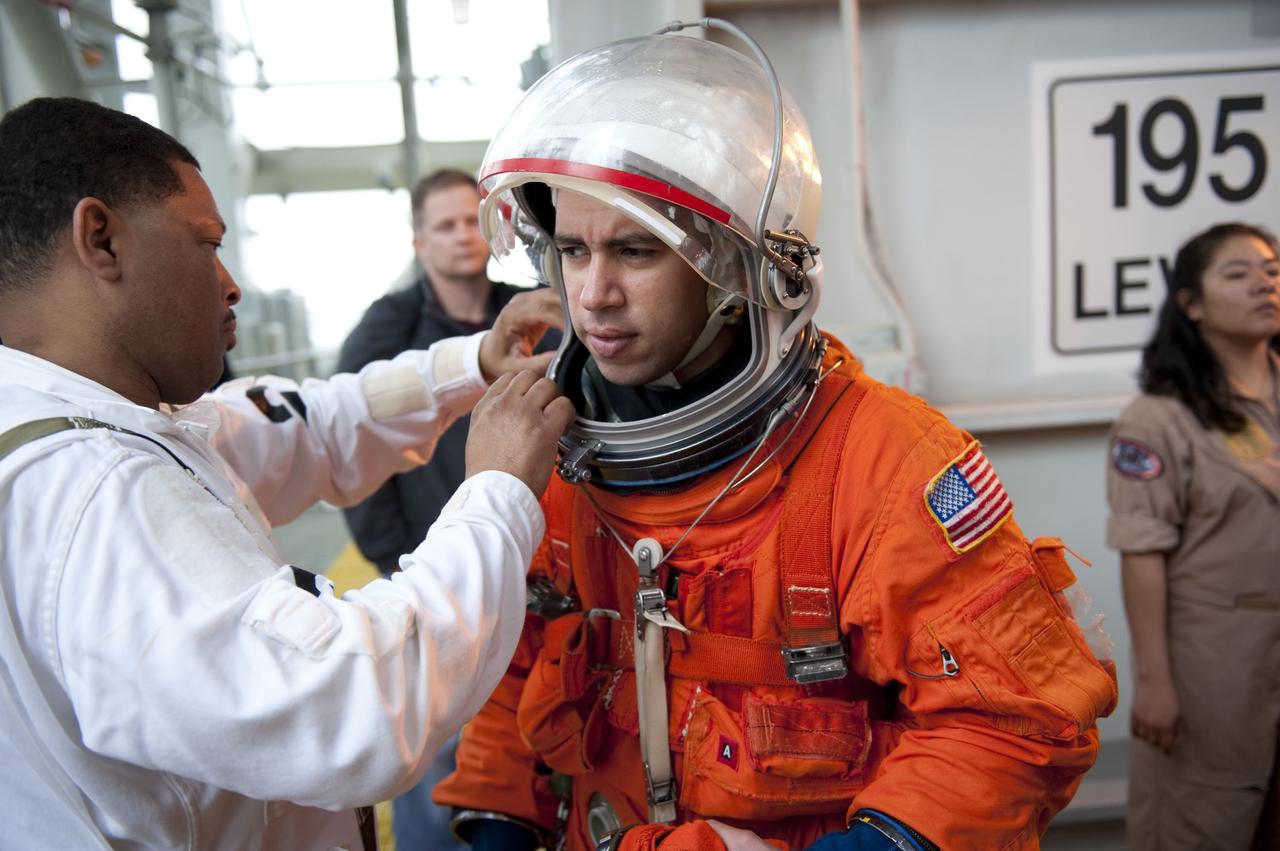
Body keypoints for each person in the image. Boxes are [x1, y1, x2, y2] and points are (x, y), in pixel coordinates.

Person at [432, 28, 1118, 851]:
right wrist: (499, 822)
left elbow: (1010, 720)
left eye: (636, 250)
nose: (593, 294)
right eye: (574, 250)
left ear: (736, 269)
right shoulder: (552, 449)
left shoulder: (880, 460)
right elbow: (512, 664)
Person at [0, 96, 575, 848]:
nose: (229, 283)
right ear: (100, 239)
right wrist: (496, 492)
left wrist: (472, 364)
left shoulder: (94, 419)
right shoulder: (92, 490)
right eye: (205, 243)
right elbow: (357, 708)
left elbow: (307, 423)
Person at [337, 169, 559, 849]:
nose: (463, 235)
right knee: (434, 746)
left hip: (531, 565)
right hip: (432, 570)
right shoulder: (389, 327)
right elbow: (353, 438)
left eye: (472, 221)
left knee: (526, 739)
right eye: (446, 225)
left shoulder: (532, 312)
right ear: (419, 241)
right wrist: (396, 554)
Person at [1106, 222, 1280, 851]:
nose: (1264, 284)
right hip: (1213, 665)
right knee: (1203, 822)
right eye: (1238, 273)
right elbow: (1142, 554)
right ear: (1192, 304)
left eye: (1272, 271)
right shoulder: (1159, 418)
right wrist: (1154, 682)